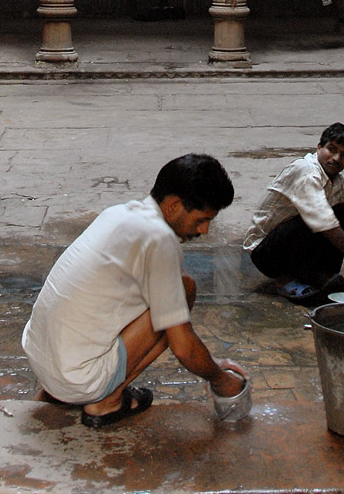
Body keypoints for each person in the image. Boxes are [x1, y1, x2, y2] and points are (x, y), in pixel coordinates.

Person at [23, 153, 248, 428]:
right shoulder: (160, 240)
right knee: (183, 290)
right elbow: (183, 346)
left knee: (167, 290)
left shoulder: (118, 213)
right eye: (201, 219)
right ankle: (106, 401)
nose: (205, 230)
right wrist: (221, 379)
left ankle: (55, 393)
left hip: (40, 359)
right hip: (76, 380)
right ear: (174, 206)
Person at [243, 122, 344, 299]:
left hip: (297, 245)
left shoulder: (340, 183)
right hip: (267, 253)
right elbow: (324, 223)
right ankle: (285, 280)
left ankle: (321, 275)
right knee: (320, 222)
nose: (336, 158)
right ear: (319, 147)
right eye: (331, 149)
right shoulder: (306, 172)